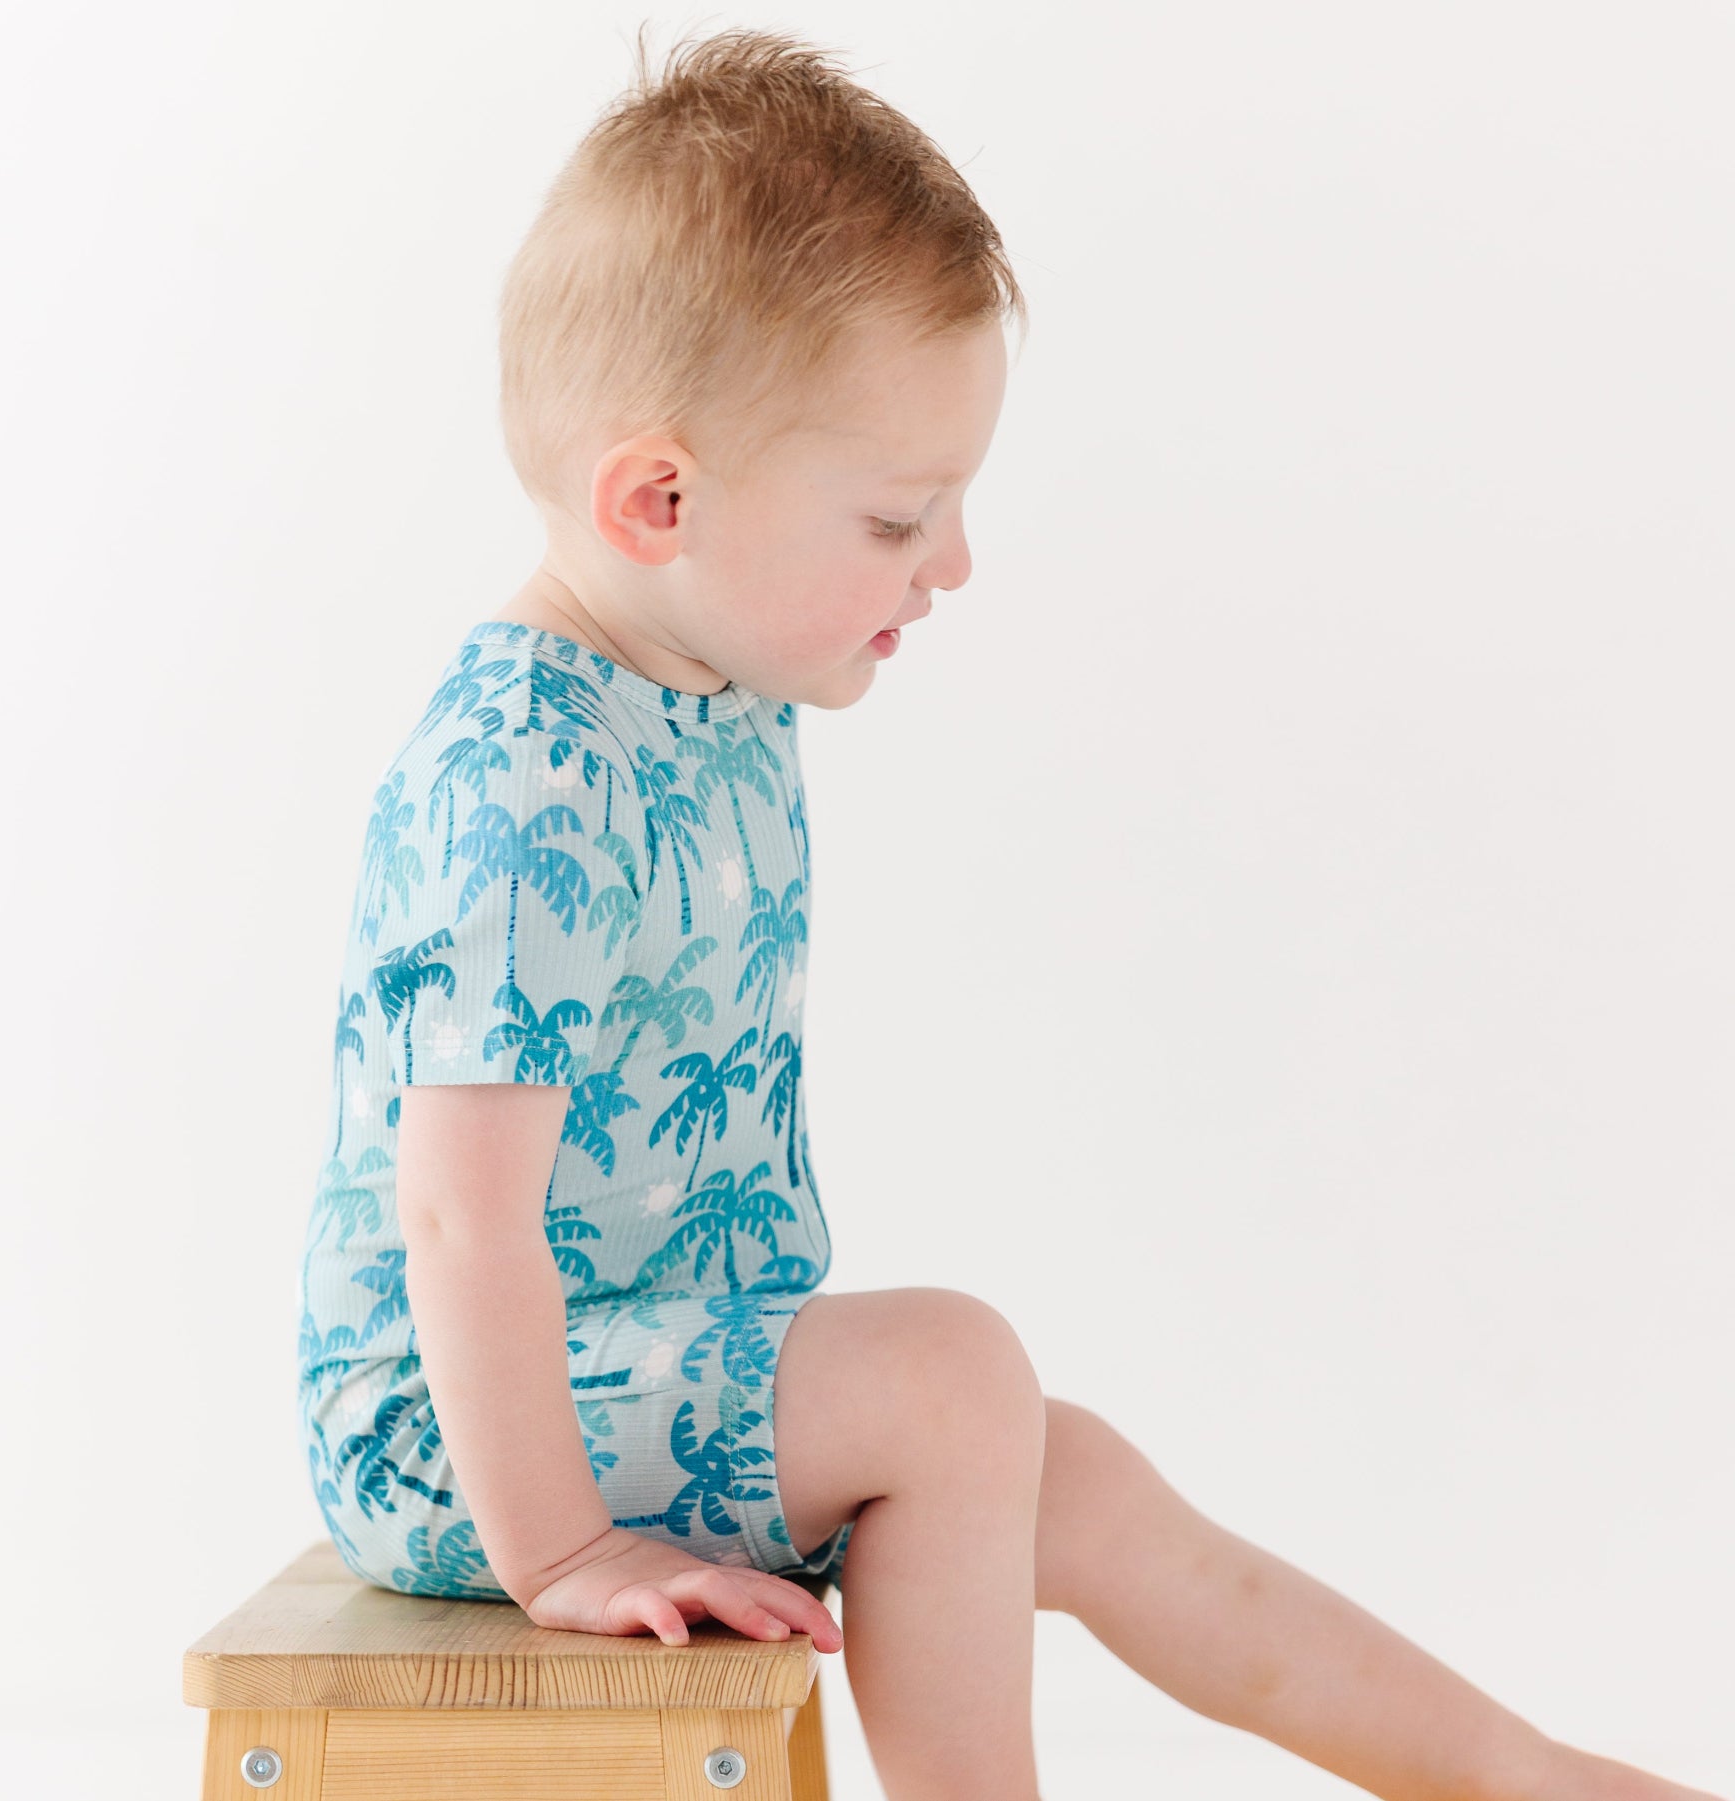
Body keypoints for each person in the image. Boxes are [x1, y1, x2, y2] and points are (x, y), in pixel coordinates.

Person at [294, 25, 1722, 1801]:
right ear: (656, 500)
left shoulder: (706, 678)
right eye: (900, 516)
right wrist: (568, 1550)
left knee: (1079, 1475)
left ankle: (1519, 1775)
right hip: (464, 1429)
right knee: (953, 1373)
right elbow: (456, 1223)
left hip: (649, 1369)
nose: (950, 564)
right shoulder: (515, 776)